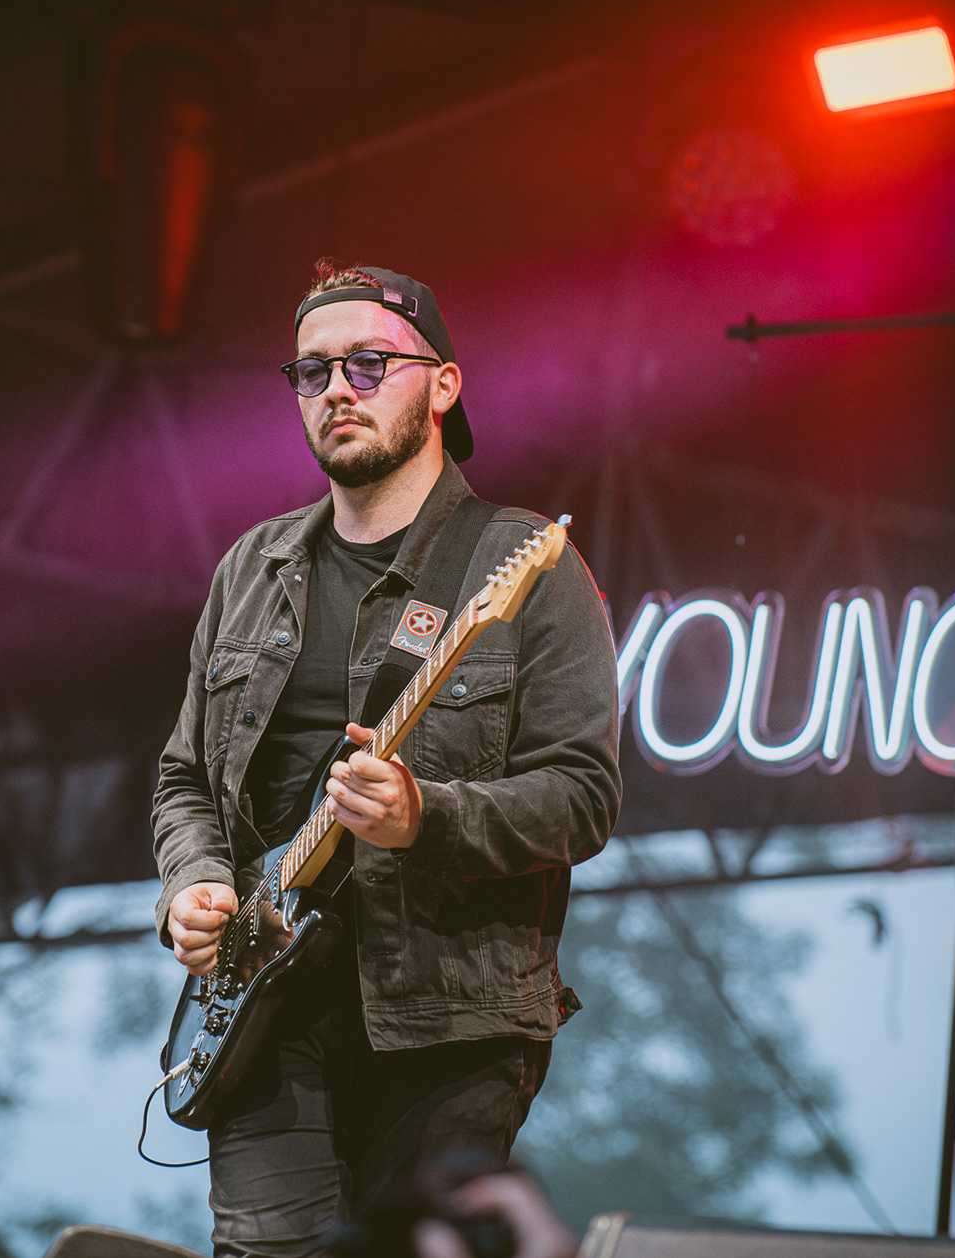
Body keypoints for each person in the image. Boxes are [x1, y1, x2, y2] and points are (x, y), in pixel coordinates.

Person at [151, 261, 621, 1258]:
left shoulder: (523, 565)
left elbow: (582, 795)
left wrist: (425, 817)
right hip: (262, 1011)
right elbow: (184, 778)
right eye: (312, 371)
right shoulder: (251, 570)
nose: (337, 389)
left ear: (443, 385)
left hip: (449, 1022)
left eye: (369, 363)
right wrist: (191, 884)